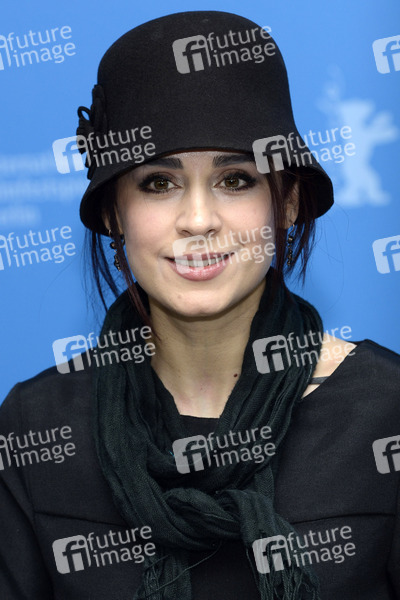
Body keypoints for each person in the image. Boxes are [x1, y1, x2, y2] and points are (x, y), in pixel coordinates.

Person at [0, 10, 399, 600]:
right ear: (113, 212)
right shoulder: (37, 426)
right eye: (158, 183)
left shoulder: (385, 411)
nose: (197, 220)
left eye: (234, 179)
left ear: (288, 202)